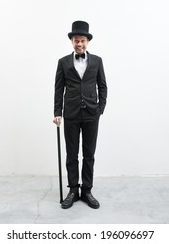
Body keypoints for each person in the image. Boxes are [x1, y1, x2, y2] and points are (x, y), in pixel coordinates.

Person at [53, 21, 107, 209]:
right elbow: (58, 89)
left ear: (87, 41)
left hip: (92, 114)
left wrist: (100, 109)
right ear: (72, 41)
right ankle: (73, 190)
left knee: (89, 154)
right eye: (76, 41)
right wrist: (57, 112)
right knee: (71, 154)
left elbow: (103, 86)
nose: (79, 44)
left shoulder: (98, 61)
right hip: (71, 114)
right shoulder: (63, 62)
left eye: (82, 40)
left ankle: (87, 191)